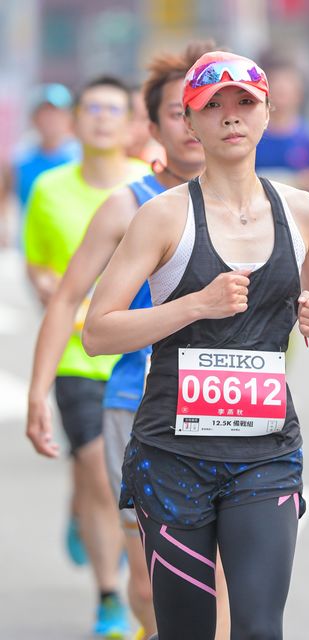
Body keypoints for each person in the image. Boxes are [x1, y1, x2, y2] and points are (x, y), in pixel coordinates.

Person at [83, 51, 309, 640]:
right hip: (172, 457)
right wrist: (194, 305)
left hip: (266, 455)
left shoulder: (304, 213)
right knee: (188, 631)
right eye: (212, 105)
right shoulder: (161, 217)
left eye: (245, 102)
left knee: (259, 627)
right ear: (191, 122)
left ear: (267, 113)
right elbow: (97, 331)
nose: (231, 116)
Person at [25, 44, 232, 640]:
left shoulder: (256, 204)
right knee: (148, 584)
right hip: (135, 399)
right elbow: (67, 298)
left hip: (222, 406)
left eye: (212, 106)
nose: (196, 122)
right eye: (179, 110)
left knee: (217, 571)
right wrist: (38, 393)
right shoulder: (129, 205)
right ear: (156, 126)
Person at [24, 75, 148, 638]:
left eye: (113, 109)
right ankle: (107, 596)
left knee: (118, 479)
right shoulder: (48, 188)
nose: (101, 118)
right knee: (99, 470)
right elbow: (38, 263)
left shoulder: (150, 187)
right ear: (75, 122)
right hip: (78, 356)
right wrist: (46, 286)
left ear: (132, 123)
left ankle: (95, 521)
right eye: (91, 108)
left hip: (138, 355)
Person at [255, 58, 309, 200]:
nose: (281, 93)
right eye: (277, 87)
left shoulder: (307, 137)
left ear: (299, 94)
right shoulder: (253, 135)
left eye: (287, 88)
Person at [13, 83, 80, 209]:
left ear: (70, 118)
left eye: (57, 114)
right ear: (34, 119)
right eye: (45, 114)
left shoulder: (80, 158)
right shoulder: (20, 160)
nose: (51, 120)